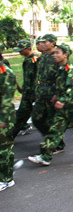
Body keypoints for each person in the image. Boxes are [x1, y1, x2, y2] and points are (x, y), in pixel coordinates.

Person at [28, 44, 73, 166]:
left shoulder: (70, 69)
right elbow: (60, 86)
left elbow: (72, 88)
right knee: (55, 130)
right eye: (54, 53)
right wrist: (56, 96)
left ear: (65, 55)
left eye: (57, 53)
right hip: (63, 107)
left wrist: (62, 100)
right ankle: (45, 156)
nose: (54, 55)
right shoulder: (60, 69)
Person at [32, 34, 65, 153]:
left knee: (52, 120)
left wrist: (57, 94)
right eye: (41, 43)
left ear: (52, 43)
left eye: (45, 42)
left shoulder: (57, 57)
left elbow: (62, 76)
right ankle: (50, 139)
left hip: (52, 92)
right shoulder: (42, 58)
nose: (42, 44)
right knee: (36, 118)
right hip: (42, 92)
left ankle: (56, 144)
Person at [11, 40, 38, 138]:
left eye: (21, 49)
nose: (19, 52)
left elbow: (37, 78)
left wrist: (35, 94)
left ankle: (55, 141)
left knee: (40, 119)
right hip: (27, 93)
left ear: (27, 49)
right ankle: (9, 136)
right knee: (20, 115)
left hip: (33, 93)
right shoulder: (26, 61)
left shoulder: (34, 60)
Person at [0, 60, 17, 191]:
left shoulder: (6, 73)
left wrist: (3, 119)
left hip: (4, 117)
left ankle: (6, 179)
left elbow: (7, 98)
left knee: (4, 148)